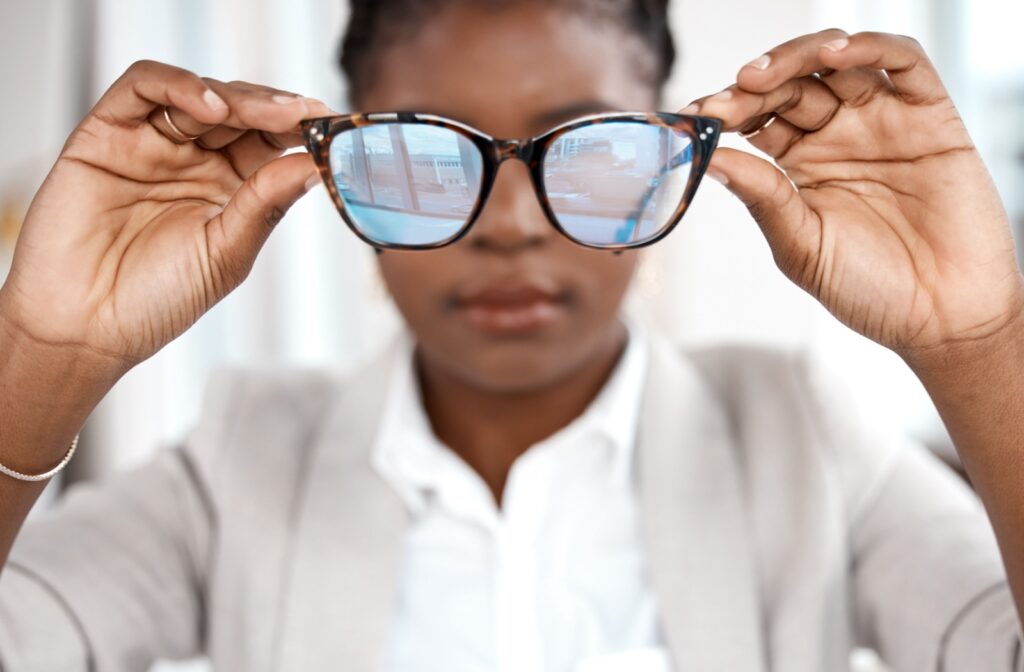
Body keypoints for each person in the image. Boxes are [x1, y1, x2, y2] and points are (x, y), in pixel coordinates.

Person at [1, 0, 1023, 670]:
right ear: (330, 168)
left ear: (665, 159)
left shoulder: (802, 438)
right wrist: (40, 356)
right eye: (423, 156)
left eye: (587, 148)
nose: (510, 224)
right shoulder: (237, 465)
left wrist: (978, 344)